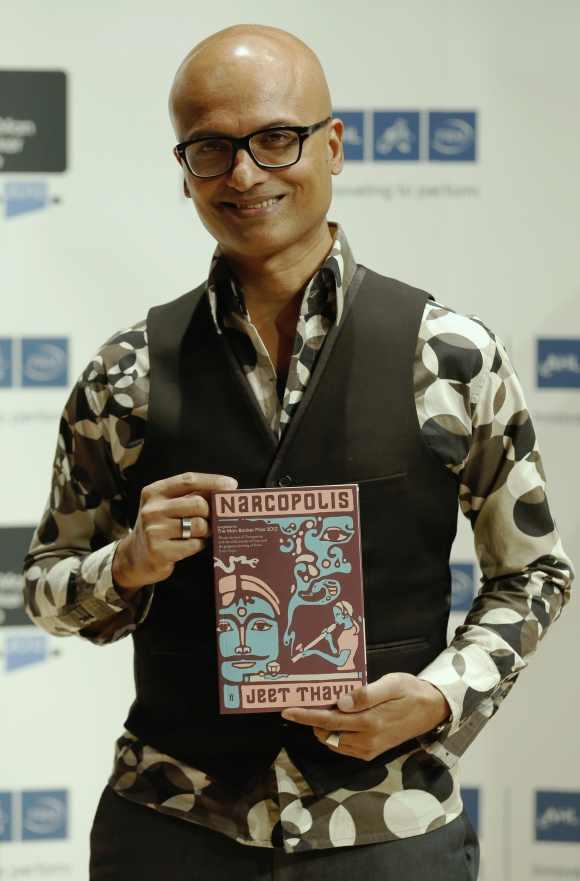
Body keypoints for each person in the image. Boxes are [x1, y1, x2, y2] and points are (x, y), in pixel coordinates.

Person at [23, 23, 572, 881]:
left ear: (334, 145)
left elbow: (535, 572)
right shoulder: (125, 374)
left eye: (275, 138)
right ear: (185, 169)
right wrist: (123, 567)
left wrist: (441, 694)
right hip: (172, 827)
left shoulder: (452, 355)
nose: (244, 174)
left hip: (389, 831)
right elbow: (47, 585)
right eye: (211, 149)